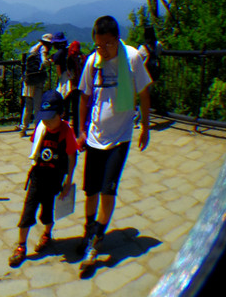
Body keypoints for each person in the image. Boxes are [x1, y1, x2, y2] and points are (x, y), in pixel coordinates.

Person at [75, 15, 152, 275]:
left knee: (108, 191)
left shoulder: (132, 59)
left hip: (120, 137)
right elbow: (84, 96)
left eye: (107, 44)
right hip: (95, 136)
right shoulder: (93, 61)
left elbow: (143, 93)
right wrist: (80, 131)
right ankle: (89, 230)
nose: (103, 50)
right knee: (90, 191)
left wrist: (145, 127)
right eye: (98, 45)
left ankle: (95, 243)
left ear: (117, 39)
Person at [9, 89, 78, 267]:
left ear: (61, 114)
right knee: (28, 210)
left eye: (50, 118)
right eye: (44, 118)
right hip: (38, 177)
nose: (47, 122)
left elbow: (72, 156)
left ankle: (47, 234)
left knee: (48, 211)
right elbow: (35, 146)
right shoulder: (41, 128)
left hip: (55, 178)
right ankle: (21, 245)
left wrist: (68, 181)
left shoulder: (66, 132)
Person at [20, 34, 54, 136]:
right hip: (37, 80)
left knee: (27, 105)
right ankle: (37, 129)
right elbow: (44, 62)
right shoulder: (43, 49)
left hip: (28, 79)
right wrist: (49, 61)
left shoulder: (33, 48)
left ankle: (23, 127)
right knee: (37, 106)